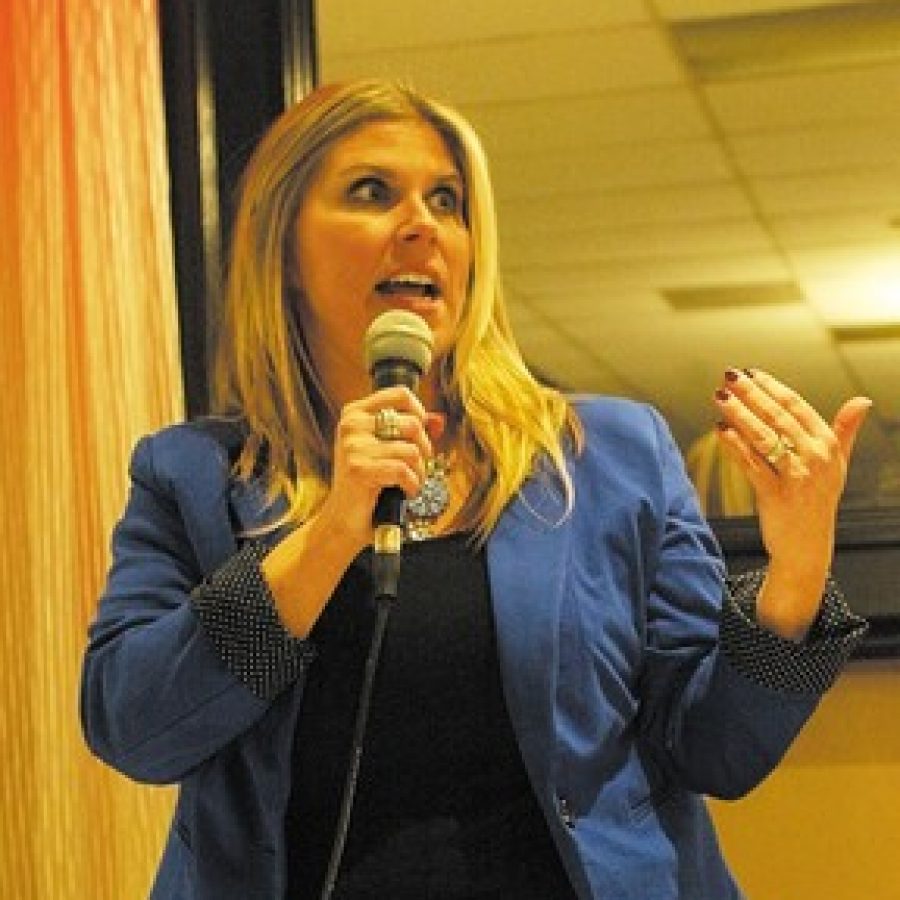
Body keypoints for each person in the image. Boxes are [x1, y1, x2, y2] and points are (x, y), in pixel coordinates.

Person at [80, 79, 871, 900]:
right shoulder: (193, 478)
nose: (422, 224)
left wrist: (797, 575)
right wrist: (328, 535)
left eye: (447, 201)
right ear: (282, 248)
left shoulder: (606, 458)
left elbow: (714, 750)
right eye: (372, 192)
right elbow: (136, 730)